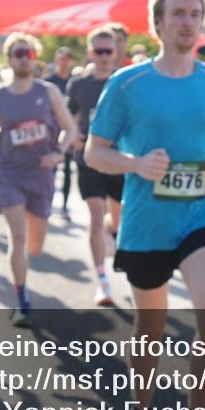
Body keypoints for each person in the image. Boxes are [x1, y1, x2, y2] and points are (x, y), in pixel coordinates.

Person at [84, 0, 205, 410]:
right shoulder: (127, 84)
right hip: (148, 221)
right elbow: (94, 152)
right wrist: (135, 164)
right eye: (178, 14)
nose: (188, 22)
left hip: (202, 213)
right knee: (149, 330)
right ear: (157, 24)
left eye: (195, 14)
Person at [0, 33, 78, 326]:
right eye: (18, 54)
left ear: (34, 57)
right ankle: (21, 299)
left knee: (35, 246)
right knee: (17, 238)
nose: (23, 59)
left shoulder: (48, 92)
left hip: (41, 173)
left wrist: (57, 153)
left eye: (28, 53)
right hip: (10, 174)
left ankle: (24, 270)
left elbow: (70, 129)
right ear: (9, 59)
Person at [66, 24, 125, 306]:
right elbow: (68, 116)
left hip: (119, 159)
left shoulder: (123, 81)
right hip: (88, 159)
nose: (103, 56)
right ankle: (102, 282)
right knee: (95, 215)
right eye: (98, 51)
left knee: (118, 218)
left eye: (108, 51)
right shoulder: (79, 84)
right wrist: (73, 137)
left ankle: (111, 231)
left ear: (115, 52)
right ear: (90, 52)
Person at [45, 46, 76, 220]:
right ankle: (47, 204)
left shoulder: (74, 82)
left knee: (67, 169)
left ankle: (64, 206)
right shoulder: (48, 83)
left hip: (69, 130)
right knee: (52, 168)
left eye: (67, 59)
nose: (64, 63)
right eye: (61, 59)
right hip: (52, 131)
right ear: (56, 61)